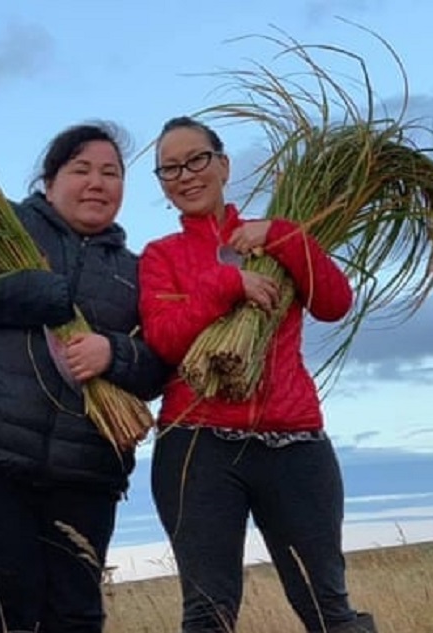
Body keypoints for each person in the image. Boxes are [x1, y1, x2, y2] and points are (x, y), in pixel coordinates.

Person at [0, 122, 169, 633]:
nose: (98, 183)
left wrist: (113, 354)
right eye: (82, 170)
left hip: (85, 464)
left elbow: (160, 362)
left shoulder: (135, 271)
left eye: (111, 173)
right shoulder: (0, 226)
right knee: (10, 607)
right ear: (49, 181)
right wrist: (38, 292)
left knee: (77, 615)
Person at [138, 116, 378, 633]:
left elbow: (334, 303)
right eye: (170, 169)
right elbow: (162, 338)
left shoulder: (274, 238)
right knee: (209, 612)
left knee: (328, 607)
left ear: (223, 164)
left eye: (197, 159)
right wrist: (227, 284)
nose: (185, 175)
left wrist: (285, 236)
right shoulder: (162, 256)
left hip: (294, 442)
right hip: (197, 445)